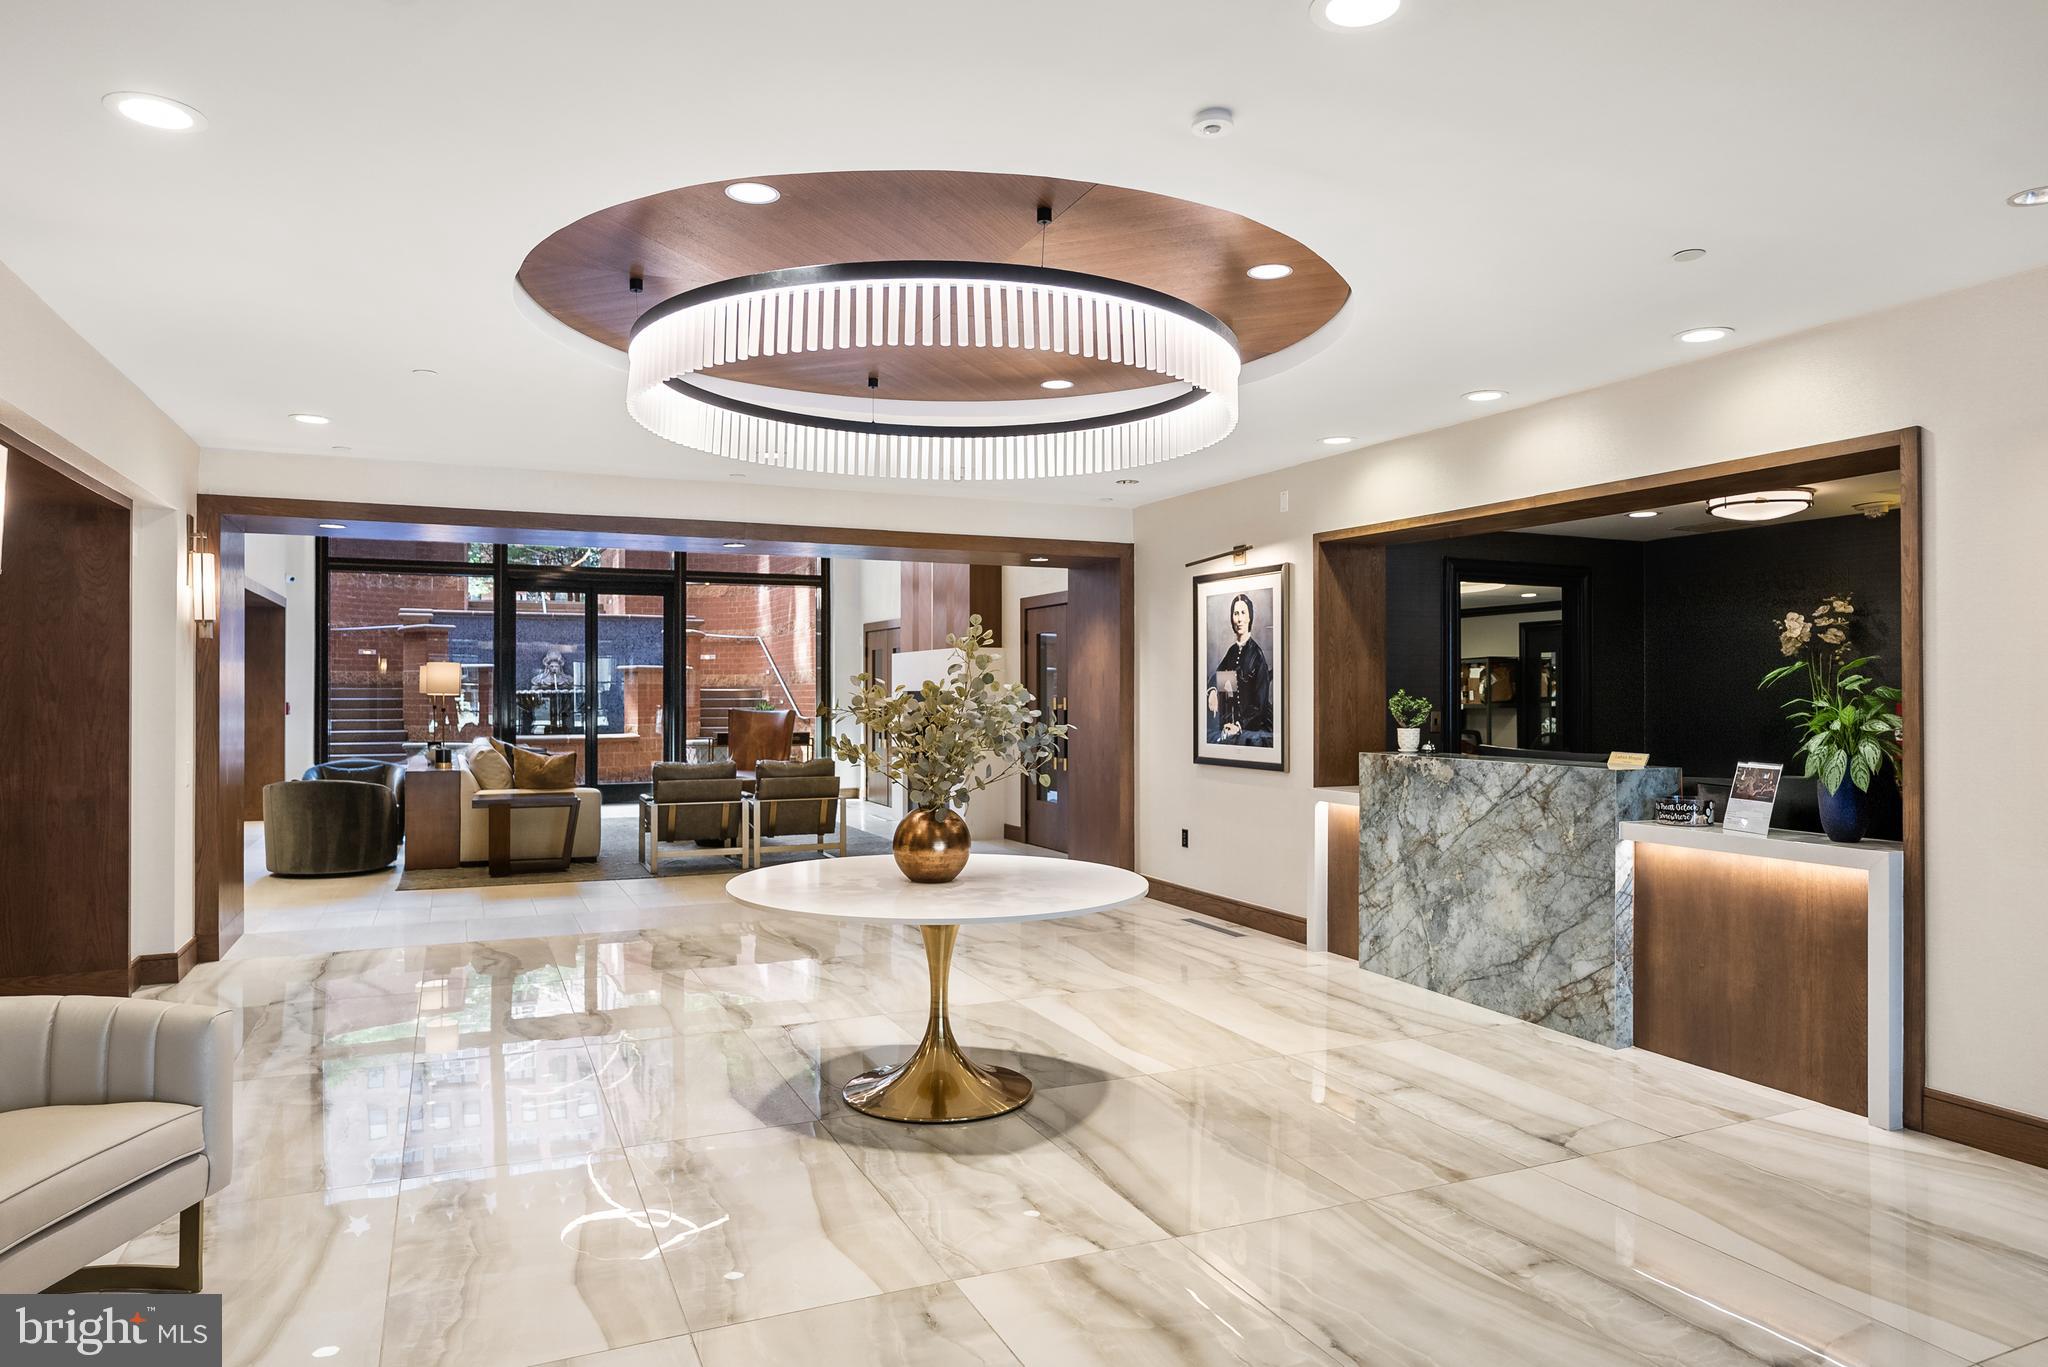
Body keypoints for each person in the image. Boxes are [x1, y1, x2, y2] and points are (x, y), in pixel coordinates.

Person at [1205, 591, 1272, 745]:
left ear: (1249, 617)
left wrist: (1239, 725)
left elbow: (1260, 706)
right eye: (1236, 614)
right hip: (1230, 725)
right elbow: (1219, 676)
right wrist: (1213, 691)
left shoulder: (1257, 655)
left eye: (1243, 613)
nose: (1239, 619)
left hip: (1255, 727)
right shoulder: (1232, 651)